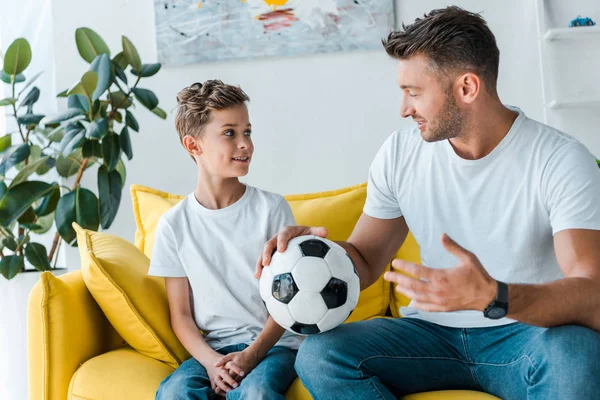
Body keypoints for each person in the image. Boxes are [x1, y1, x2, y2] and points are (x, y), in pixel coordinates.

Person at [256, 6, 600, 400]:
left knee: (577, 354)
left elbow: (592, 293)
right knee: (320, 355)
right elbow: (365, 260)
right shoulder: (401, 152)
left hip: (527, 332)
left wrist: (495, 297)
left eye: (414, 93)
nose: (404, 109)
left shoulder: (559, 159)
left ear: (467, 88)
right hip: (430, 337)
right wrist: (313, 253)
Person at [149, 80, 301, 399]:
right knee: (175, 393)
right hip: (212, 350)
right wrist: (212, 363)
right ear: (193, 146)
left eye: (247, 131)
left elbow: (286, 303)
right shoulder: (174, 225)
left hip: (273, 346)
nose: (245, 143)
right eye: (230, 133)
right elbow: (181, 316)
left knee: (256, 393)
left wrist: (251, 356)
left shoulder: (271, 210)